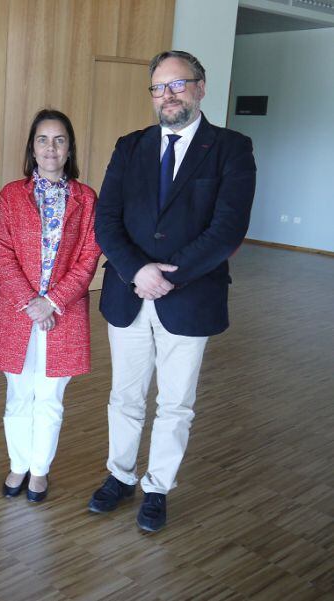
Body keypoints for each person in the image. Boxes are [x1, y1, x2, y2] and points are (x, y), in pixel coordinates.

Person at [88, 50, 256, 532]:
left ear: (201, 87)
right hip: (128, 292)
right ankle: (119, 476)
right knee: (125, 397)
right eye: (159, 87)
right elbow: (107, 220)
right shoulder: (130, 146)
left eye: (178, 84)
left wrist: (169, 277)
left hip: (189, 299)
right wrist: (137, 270)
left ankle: (157, 487)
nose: (168, 95)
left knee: (175, 403)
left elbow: (227, 231)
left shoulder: (232, 148)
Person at [0, 109, 102, 503]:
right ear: (32, 148)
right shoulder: (12, 195)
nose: (51, 148)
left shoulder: (86, 199)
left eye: (59, 140)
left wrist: (51, 302)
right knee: (18, 395)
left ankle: (39, 470)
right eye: (43, 140)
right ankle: (18, 464)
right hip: (16, 313)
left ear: (69, 149)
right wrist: (30, 303)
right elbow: (2, 252)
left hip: (62, 315)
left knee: (50, 397)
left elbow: (88, 257)